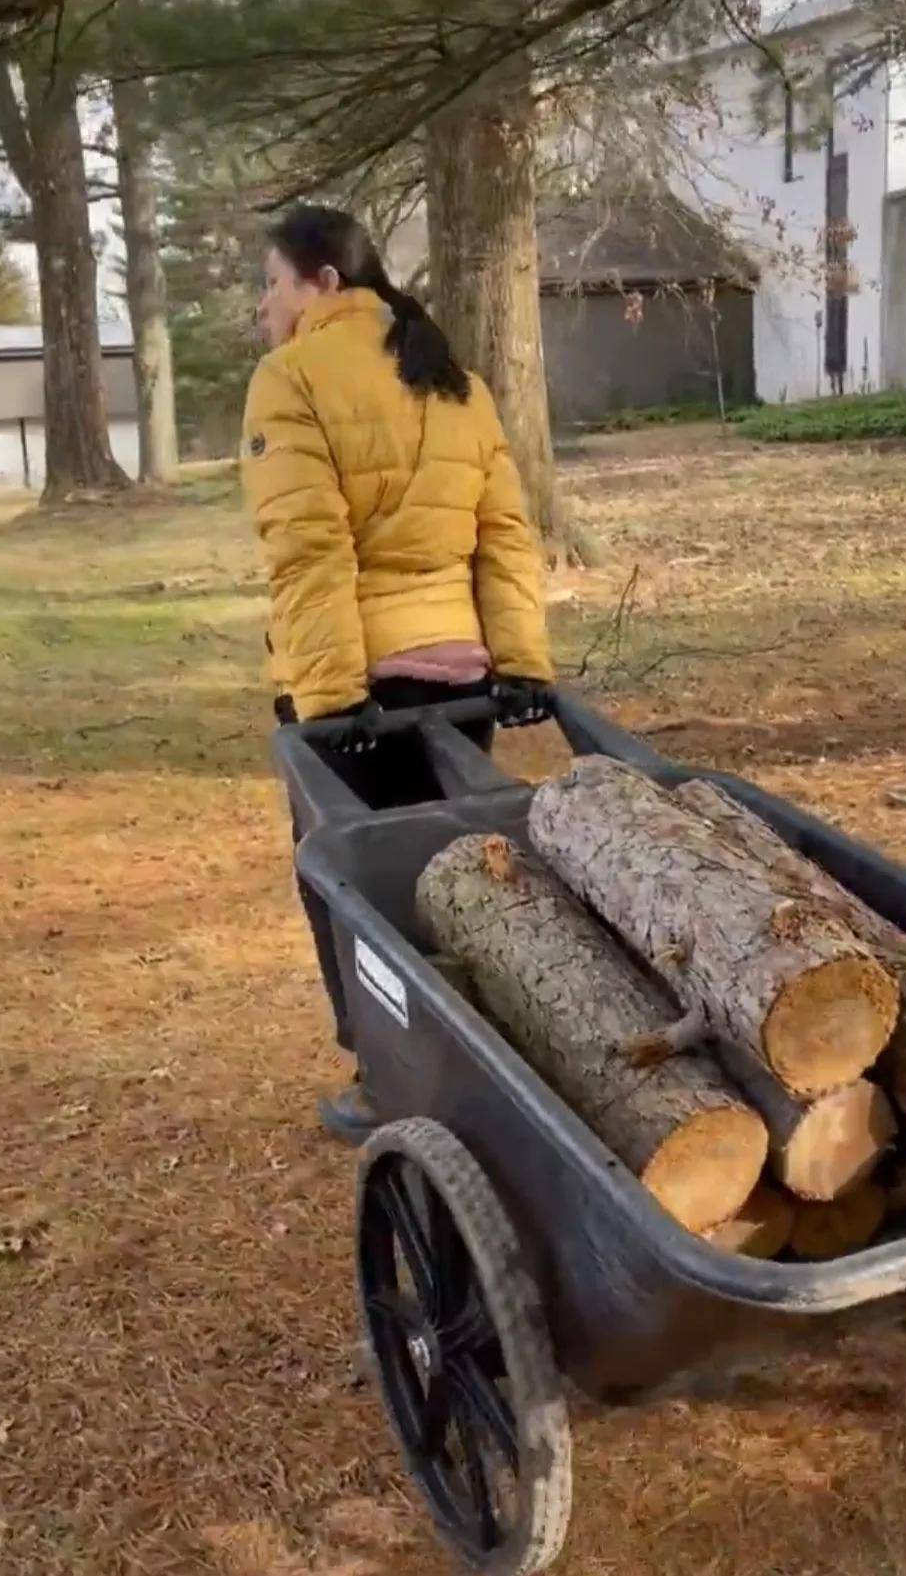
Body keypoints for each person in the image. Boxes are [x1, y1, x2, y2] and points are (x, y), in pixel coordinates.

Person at [241, 203, 553, 1142]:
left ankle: (391, 1078)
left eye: (272, 283)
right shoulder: (454, 377)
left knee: (352, 887)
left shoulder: (290, 378)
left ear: (326, 281)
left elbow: (310, 550)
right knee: (456, 875)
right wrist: (523, 666)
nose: (265, 305)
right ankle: (496, 1070)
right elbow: (504, 535)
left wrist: (334, 699)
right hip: (462, 677)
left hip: (360, 689)